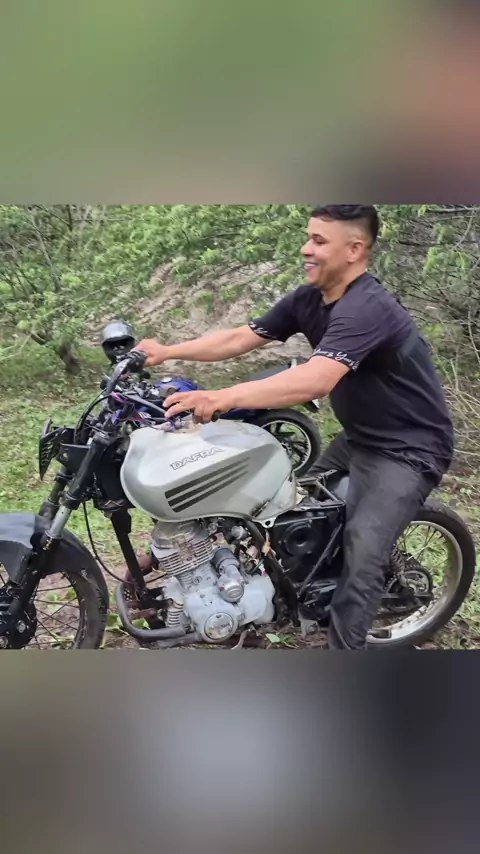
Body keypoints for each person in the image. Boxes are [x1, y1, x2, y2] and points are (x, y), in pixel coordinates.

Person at [133, 205, 455, 650]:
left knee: (363, 552)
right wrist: (168, 350)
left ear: (354, 249)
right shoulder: (310, 299)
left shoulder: (368, 308)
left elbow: (316, 379)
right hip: (360, 438)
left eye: (319, 241)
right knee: (286, 512)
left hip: (409, 449)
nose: (306, 248)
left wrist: (223, 397)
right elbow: (240, 337)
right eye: (308, 237)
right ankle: (292, 596)